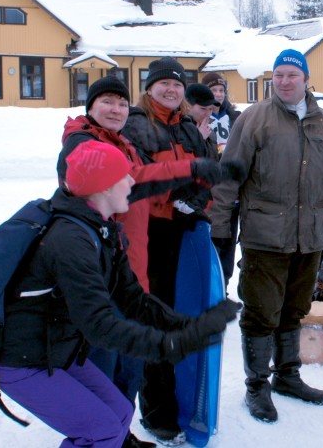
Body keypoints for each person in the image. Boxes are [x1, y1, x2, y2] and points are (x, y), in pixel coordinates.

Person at [0, 140, 239, 448]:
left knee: (119, 413)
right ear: (103, 188)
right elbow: (99, 325)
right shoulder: (70, 240)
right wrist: (167, 344)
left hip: (56, 350)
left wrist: (187, 327)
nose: (133, 181)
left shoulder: (103, 230)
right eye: (125, 176)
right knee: (101, 430)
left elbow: (133, 301)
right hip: (22, 361)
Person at [55, 75, 227, 448]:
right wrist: (188, 172)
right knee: (102, 365)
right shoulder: (82, 143)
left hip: (133, 267)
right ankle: (97, 437)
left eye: (119, 102)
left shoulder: (124, 141)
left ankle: (120, 433)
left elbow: (141, 185)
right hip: (101, 274)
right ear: (91, 108)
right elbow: (132, 179)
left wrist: (198, 192)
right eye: (107, 103)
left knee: (127, 365)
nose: (115, 109)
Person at [210, 49, 323, 424]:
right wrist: (221, 227)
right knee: (260, 314)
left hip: (310, 239)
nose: (285, 81)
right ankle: (257, 385)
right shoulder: (255, 120)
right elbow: (229, 178)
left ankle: (288, 376)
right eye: (279, 75)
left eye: (293, 74)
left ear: (306, 79)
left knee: (294, 310)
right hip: (264, 237)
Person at [121, 58, 219, 446]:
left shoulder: (187, 127)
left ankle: (184, 401)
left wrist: (198, 198)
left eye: (177, 85)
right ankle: (157, 412)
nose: (171, 90)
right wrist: (174, 195)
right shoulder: (136, 124)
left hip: (186, 232)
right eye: (163, 84)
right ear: (149, 88)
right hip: (150, 233)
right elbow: (136, 176)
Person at [202, 71, 242, 288]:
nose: (217, 94)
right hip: (209, 194)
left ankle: (223, 285)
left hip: (232, 193)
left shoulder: (235, 117)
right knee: (211, 241)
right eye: (213, 90)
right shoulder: (197, 118)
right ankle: (210, 287)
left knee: (228, 241)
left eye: (220, 90)